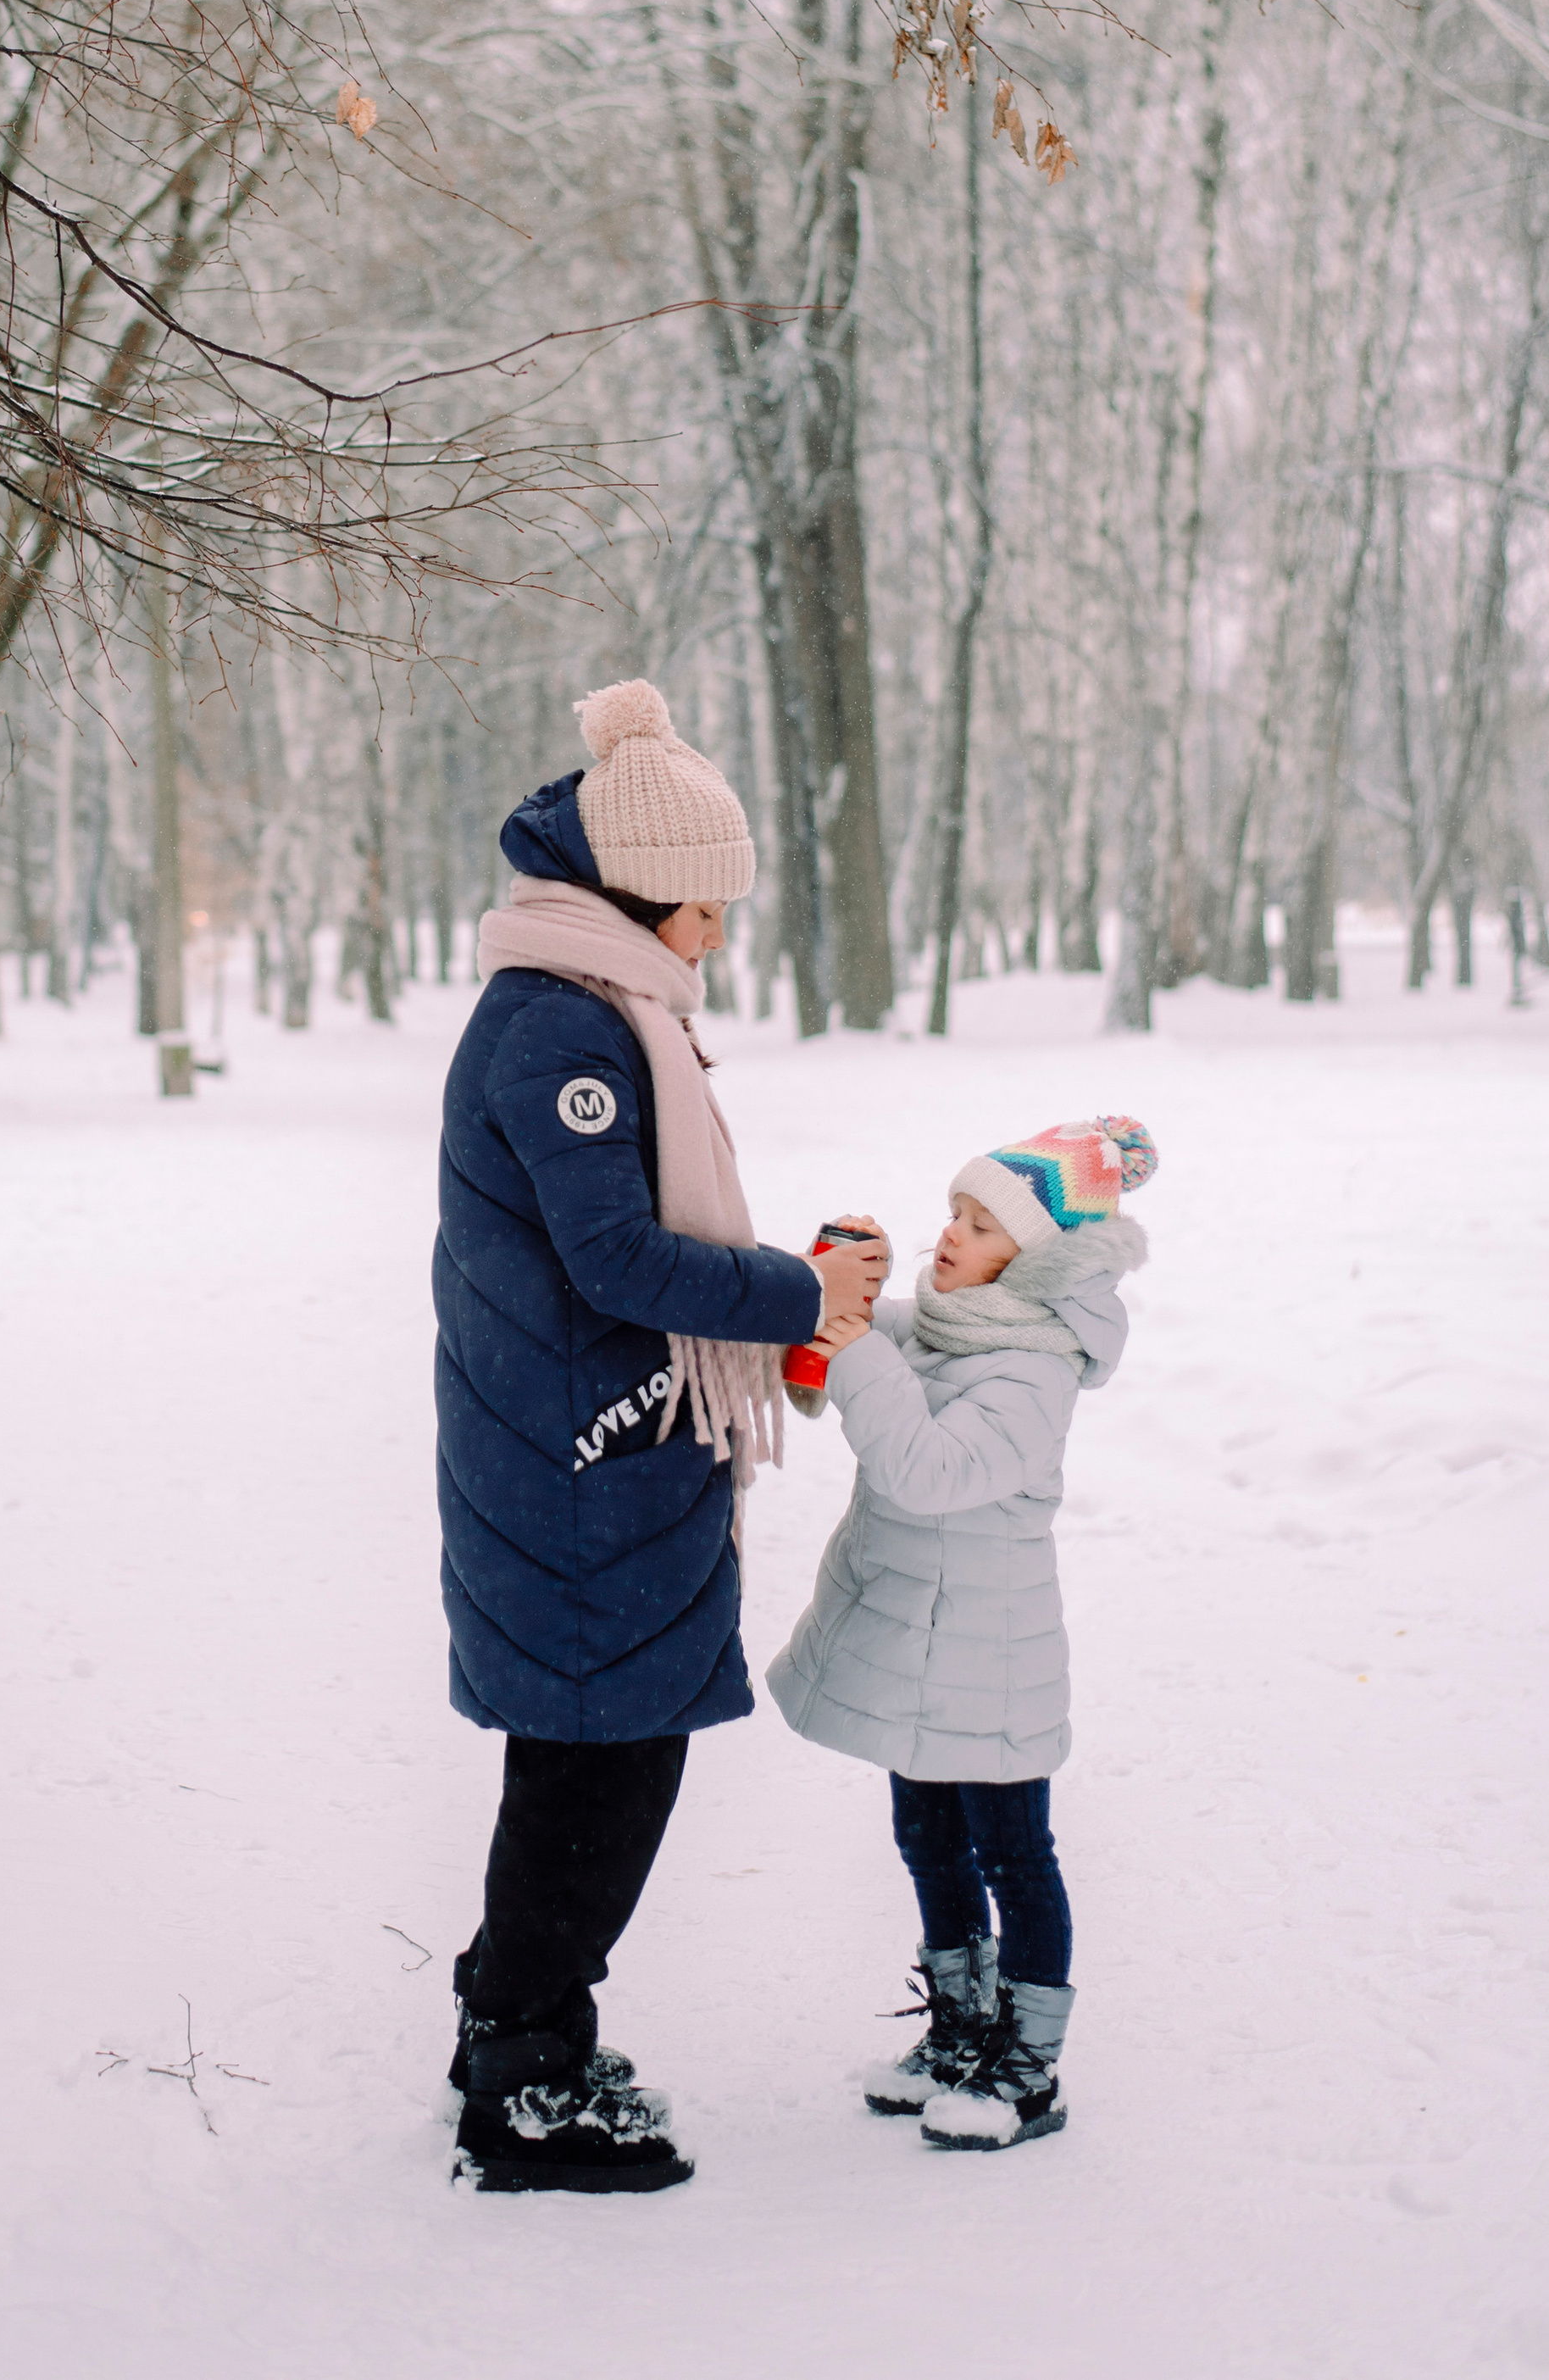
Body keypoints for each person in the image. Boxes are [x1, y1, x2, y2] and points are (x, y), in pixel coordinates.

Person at [434, 679, 885, 2194]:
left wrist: (781, 1292)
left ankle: (520, 2031)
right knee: (597, 1777)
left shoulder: (591, 1003)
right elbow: (617, 1260)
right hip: (576, 1465)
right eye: (705, 907)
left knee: (593, 1767)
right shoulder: (563, 1030)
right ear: (638, 893)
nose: (716, 935)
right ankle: (524, 2081)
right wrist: (797, 1292)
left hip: (591, 1448)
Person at [767, 1114, 1158, 2151]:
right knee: (928, 1840)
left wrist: (858, 1353)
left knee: (1013, 1855)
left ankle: (1027, 2065)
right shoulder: (947, 1323)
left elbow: (931, 1472)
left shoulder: (1033, 1367)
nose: (951, 1235)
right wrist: (837, 1287)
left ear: (1031, 1259)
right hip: (921, 1650)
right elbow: (847, 1346)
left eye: (982, 1226)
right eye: (953, 1212)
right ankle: (959, 2027)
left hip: (990, 1657)